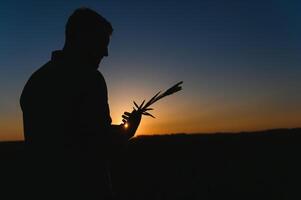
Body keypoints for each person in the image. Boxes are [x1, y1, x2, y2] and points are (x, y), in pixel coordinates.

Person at [20, 7, 141, 199]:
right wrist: (128, 131)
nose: (106, 52)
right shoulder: (89, 79)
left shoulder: (36, 80)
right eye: (102, 43)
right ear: (83, 38)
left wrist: (118, 129)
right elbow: (98, 146)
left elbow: (73, 134)